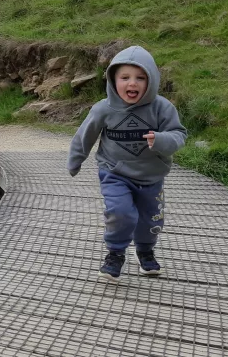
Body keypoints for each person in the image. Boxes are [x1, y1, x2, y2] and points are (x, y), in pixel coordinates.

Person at [67, 45, 187, 282]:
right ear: (113, 80)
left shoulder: (162, 108)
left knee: (151, 218)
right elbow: (85, 135)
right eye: (125, 78)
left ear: (151, 81)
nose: (132, 84)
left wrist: (161, 140)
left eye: (140, 78)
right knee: (121, 213)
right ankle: (115, 254)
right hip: (115, 172)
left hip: (151, 175)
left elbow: (179, 134)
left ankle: (145, 251)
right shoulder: (104, 109)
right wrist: (75, 160)